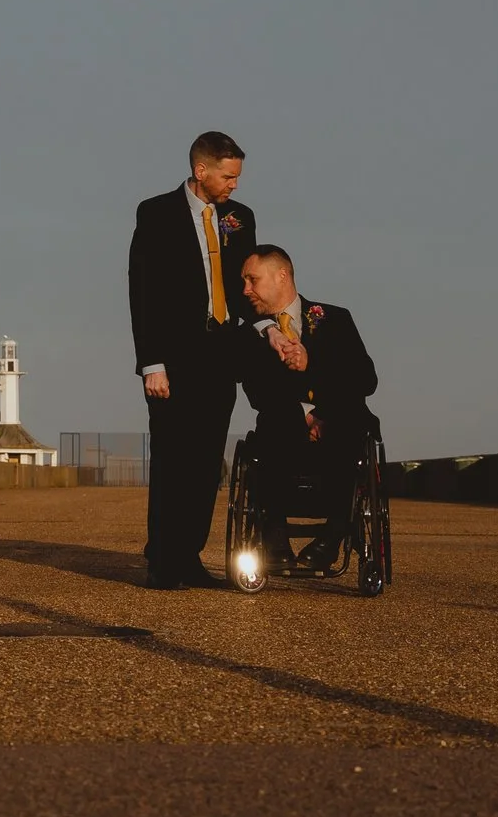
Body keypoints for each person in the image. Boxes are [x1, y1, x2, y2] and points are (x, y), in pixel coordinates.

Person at [127, 131, 257, 589]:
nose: (234, 186)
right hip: (173, 361)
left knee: (205, 464)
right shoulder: (156, 213)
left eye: (238, 177)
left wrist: (268, 330)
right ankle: (162, 560)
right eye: (228, 176)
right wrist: (151, 362)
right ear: (201, 171)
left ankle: (189, 557)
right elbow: (142, 291)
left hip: (221, 356)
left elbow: (249, 289)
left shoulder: (241, 218)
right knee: (171, 460)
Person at [235, 244, 377, 573]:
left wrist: (316, 381)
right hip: (282, 431)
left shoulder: (336, 319)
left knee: (349, 422)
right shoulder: (252, 335)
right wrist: (305, 414)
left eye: (252, 280)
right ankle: (275, 536)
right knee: (277, 419)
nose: (246, 289)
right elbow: (258, 392)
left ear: (281, 275)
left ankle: (334, 534)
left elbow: (365, 379)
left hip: (339, 426)